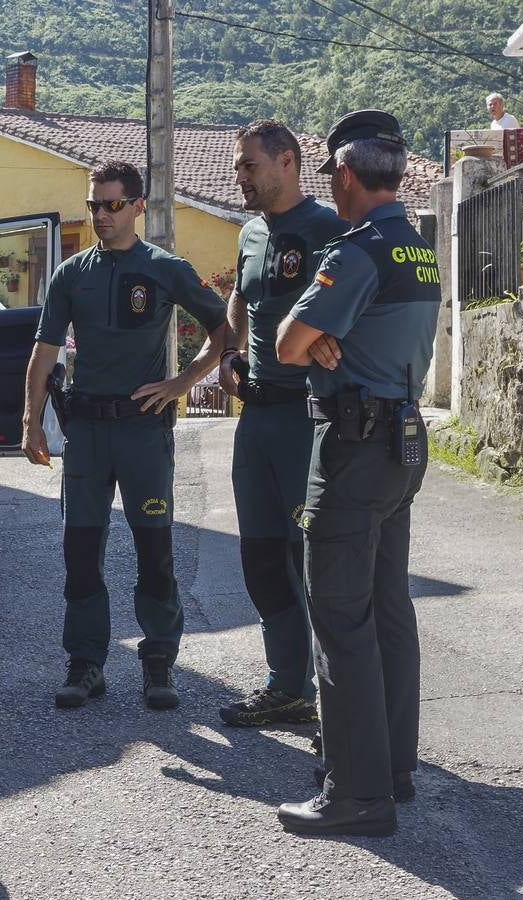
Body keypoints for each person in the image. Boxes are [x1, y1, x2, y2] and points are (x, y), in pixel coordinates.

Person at [273, 110, 441, 837]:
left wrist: (313, 343)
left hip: (353, 446)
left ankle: (355, 793)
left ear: (343, 175)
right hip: (401, 443)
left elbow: (285, 342)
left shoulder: (359, 252)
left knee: (339, 618)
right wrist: (323, 343)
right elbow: (336, 338)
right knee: (387, 610)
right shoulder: (417, 249)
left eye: (329, 181)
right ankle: (390, 768)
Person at [21, 160, 230, 711]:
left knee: (154, 553)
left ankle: (159, 664)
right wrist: (30, 422)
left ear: (138, 206)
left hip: (143, 434)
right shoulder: (71, 274)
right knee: (81, 553)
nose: (101, 215)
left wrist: (182, 381)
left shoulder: (165, 268)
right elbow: (43, 351)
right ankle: (86, 665)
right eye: (94, 205)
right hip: (87, 434)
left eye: (113, 205)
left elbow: (224, 330)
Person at [213, 120, 347, 729]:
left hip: (306, 417)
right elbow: (240, 303)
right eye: (238, 166)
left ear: (287, 162)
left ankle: (335, 698)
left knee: (312, 561)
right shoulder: (250, 234)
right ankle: (286, 685)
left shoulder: (327, 229)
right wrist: (228, 357)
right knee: (262, 558)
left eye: (249, 166)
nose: (239, 177)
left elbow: (352, 303)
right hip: (256, 419)